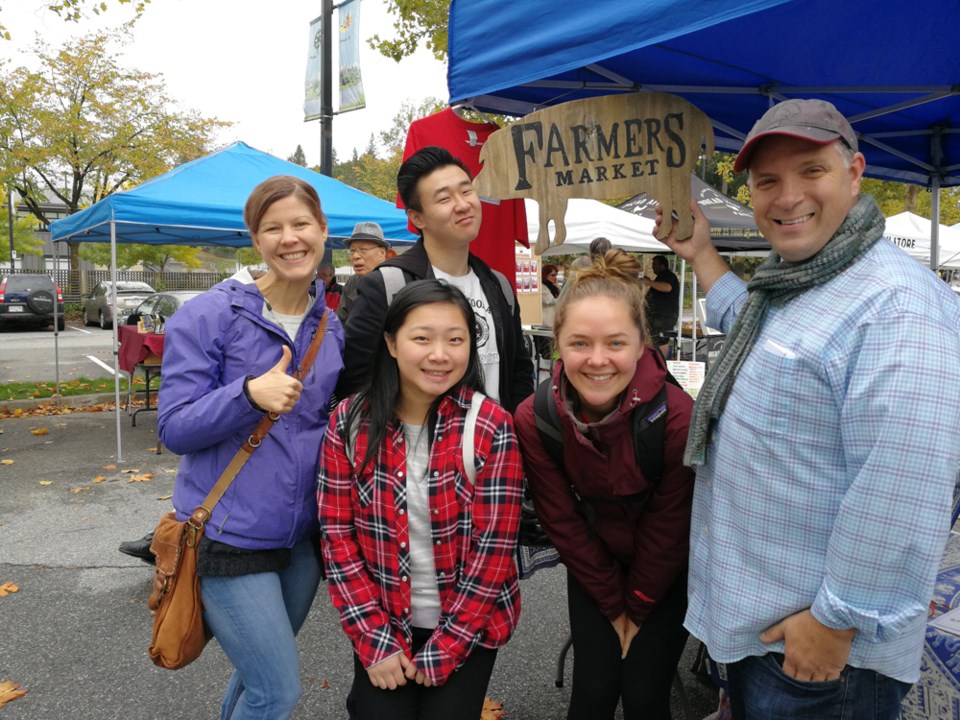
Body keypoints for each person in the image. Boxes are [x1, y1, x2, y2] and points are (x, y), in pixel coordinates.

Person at [656, 99, 960, 719]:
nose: (787, 195)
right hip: (762, 627)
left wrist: (837, 621)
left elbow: (901, 486)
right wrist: (704, 258)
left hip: (821, 652)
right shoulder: (804, 281)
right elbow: (759, 334)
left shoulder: (898, 307)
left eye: (811, 171)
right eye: (767, 180)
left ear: (854, 173)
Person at [158, 175, 345, 719]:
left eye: (301, 224)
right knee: (277, 691)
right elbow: (174, 428)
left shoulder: (327, 325)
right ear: (255, 240)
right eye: (273, 228)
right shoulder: (209, 315)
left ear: (322, 231)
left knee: (256, 678)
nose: (290, 238)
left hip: (302, 541)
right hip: (227, 536)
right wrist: (247, 395)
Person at [319, 279, 523, 720]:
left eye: (456, 339)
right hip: (383, 617)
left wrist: (447, 647)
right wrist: (372, 638)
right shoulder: (349, 421)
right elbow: (337, 536)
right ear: (392, 344)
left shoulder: (489, 426)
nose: (440, 354)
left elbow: (494, 552)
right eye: (422, 338)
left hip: (468, 624)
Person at [514, 248, 695, 719]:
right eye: (579, 344)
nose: (597, 361)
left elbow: (670, 527)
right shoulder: (537, 418)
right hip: (595, 560)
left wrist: (635, 607)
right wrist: (614, 606)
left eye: (615, 344)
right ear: (557, 343)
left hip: (668, 569)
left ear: (643, 345)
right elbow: (560, 518)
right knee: (592, 695)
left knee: (644, 696)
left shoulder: (678, 419)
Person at [338, 146, 534, 412]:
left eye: (467, 191)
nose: (463, 205)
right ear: (417, 217)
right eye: (444, 199)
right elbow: (356, 384)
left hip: (494, 447)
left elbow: (518, 372)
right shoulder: (387, 285)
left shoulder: (498, 285)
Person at [337, 222, 390, 325]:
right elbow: (341, 321)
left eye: (363, 250)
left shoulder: (394, 280)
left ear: (382, 253)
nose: (356, 256)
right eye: (352, 251)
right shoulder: (352, 281)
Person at [639, 254, 680, 357]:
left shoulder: (668, 275)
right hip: (657, 316)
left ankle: (661, 364)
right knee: (654, 341)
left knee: (660, 341)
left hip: (662, 316)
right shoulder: (661, 276)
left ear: (663, 265)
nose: (653, 267)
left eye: (655, 264)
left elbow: (667, 287)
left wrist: (649, 282)